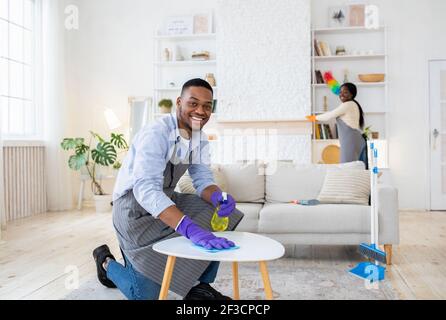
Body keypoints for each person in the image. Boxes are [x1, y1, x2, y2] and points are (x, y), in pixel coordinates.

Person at [92, 79, 244, 300]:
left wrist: (218, 196)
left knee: (213, 212)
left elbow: (202, 180)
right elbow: (146, 190)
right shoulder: (155, 134)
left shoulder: (199, 139)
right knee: (145, 295)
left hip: (167, 200)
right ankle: (107, 263)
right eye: (193, 103)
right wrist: (190, 229)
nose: (200, 111)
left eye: (207, 106)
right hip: (134, 211)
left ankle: (202, 287)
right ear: (179, 103)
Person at [306, 83, 368, 167]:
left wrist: (314, 118)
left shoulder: (348, 105)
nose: (341, 94)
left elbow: (330, 115)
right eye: (340, 92)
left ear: (351, 94)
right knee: (353, 167)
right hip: (352, 139)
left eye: (345, 92)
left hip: (350, 140)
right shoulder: (353, 104)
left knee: (347, 167)